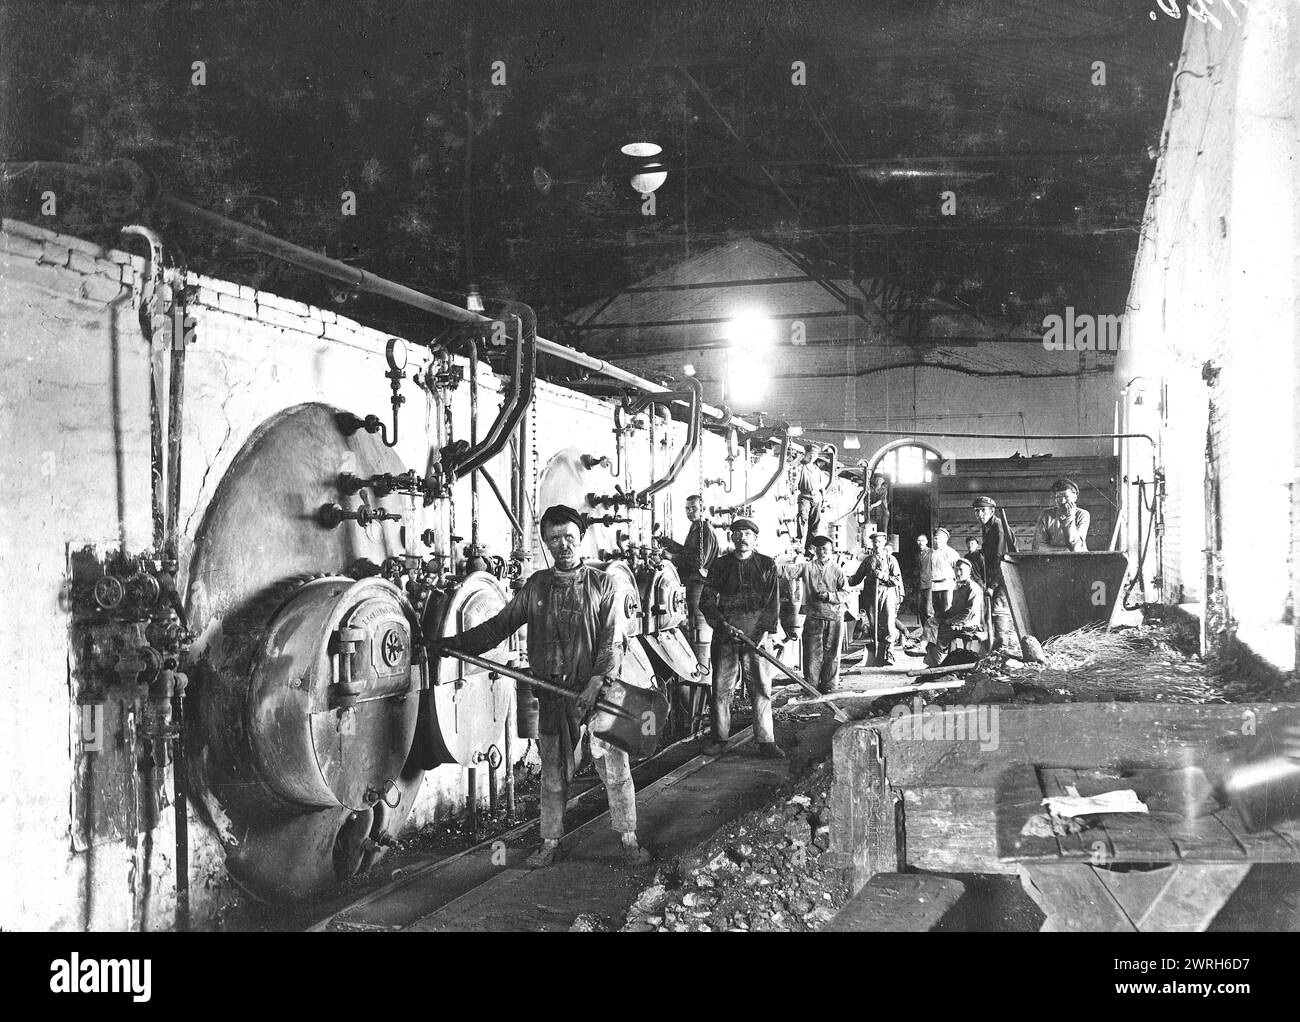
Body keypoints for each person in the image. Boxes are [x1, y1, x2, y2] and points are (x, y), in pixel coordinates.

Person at [442, 504, 651, 868]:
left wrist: (597, 682)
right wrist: (455, 645)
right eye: (554, 539)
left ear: (581, 537)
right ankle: (550, 842)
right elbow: (499, 626)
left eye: (569, 537)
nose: (563, 545)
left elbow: (611, 642)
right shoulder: (536, 586)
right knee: (553, 774)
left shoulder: (604, 585)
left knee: (615, 770)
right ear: (546, 543)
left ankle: (629, 839)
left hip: (598, 696)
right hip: (552, 696)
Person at [699, 518, 786, 759]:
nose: (743, 538)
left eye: (748, 534)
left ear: (755, 539)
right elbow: (705, 602)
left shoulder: (767, 565)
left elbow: (772, 604)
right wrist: (722, 625)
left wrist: (762, 633)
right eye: (737, 534)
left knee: (761, 687)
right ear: (731, 538)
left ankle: (766, 740)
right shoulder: (719, 566)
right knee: (721, 689)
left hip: (756, 638)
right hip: (725, 636)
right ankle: (719, 739)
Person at [776, 535, 849, 694]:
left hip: (834, 616)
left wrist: (830, 596)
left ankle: (829, 686)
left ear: (831, 551)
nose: (823, 552)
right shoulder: (807, 567)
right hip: (813, 616)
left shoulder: (837, 570)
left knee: (832, 653)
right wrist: (769, 565)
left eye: (826, 549)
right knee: (811, 652)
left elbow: (846, 593)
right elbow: (788, 571)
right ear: (815, 551)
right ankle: (811, 686)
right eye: (820, 549)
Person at [655, 494, 720, 671]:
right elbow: (687, 552)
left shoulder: (705, 531)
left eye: (694, 508)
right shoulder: (695, 529)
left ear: (702, 509)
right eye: (687, 508)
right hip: (691, 585)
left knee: (698, 632)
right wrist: (666, 542)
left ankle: (701, 675)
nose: (690, 512)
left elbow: (696, 561)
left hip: (699, 586)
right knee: (690, 629)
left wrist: (670, 557)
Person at [848, 532, 905, 666]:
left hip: (887, 596)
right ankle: (877, 651)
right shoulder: (868, 561)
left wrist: (884, 576)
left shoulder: (891, 560)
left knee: (889, 624)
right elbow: (856, 579)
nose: (877, 544)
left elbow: (897, 580)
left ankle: (890, 652)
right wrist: (841, 580)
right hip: (871, 596)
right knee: (874, 625)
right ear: (871, 544)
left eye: (879, 542)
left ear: (884, 542)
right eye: (874, 542)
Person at [972, 496, 1015, 649]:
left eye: (983, 510)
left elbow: (1000, 560)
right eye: (977, 511)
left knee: (1000, 613)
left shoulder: (998, 528)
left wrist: (992, 585)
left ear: (992, 511)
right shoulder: (986, 528)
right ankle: (995, 651)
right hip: (994, 577)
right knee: (992, 614)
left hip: (1003, 577)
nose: (980, 514)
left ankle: (1003, 651)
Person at [926, 558, 986, 665]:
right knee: (932, 626)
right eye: (956, 569)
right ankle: (934, 665)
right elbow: (953, 609)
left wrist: (951, 622)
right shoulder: (958, 588)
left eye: (961, 570)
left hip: (968, 624)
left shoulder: (973, 588)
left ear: (969, 572)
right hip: (957, 622)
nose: (958, 573)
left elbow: (968, 613)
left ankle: (936, 665)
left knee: (937, 635)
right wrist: (941, 616)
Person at [921, 527, 958, 648]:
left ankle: (948, 642)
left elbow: (957, 568)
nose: (935, 541)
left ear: (944, 540)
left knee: (947, 612)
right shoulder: (932, 553)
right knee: (937, 614)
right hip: (935, 586)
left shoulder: (950, 552)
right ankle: (937, 642)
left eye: (938, 538)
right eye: (934, 538)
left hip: (947, 585)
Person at [1033, 478, 1090, 552]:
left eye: (1066, 497)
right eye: (1058, 497)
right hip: (1052, 559)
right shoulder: (1046, 515)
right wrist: (1064, 551)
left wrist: (1069, 518)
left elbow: (1076, 548)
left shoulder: (1082, 514)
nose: (1062, 501)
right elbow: (1038, 547)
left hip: (1078, 560)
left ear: (1075, 497)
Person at [795, 446, 828, 552]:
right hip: (805, 497)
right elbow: (795, 482)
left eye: (814, 455)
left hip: (817, 499)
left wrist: (824, 500)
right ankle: (799, 543)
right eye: (810, 455)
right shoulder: (802, 467)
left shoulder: (817, 470)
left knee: (815, 524)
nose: (812, 457)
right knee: (802, 518)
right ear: (806, 455)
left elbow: (822, 487)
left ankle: (809, 548)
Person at [866, 471, 890, 537]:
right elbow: (866, 496)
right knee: (872, 528)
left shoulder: (884, 489)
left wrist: (872, 505)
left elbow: (880, 501)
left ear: (883, 481)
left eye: (880, 480)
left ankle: (883, 543)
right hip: (873, 512)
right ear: (875, 480)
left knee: (882, 531)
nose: (879, 481)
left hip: (883, 512)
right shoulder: (871, 488)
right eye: (878, 480)